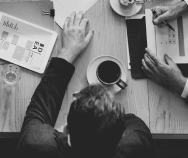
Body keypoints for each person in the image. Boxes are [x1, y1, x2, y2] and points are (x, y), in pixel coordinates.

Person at [16, 11, 154, 158]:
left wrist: (67, 53)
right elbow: (132, 121)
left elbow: (39, 110)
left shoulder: (37, 146)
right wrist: (104, 105)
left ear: (66, 129)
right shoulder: (135, 146)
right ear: (122, 135)